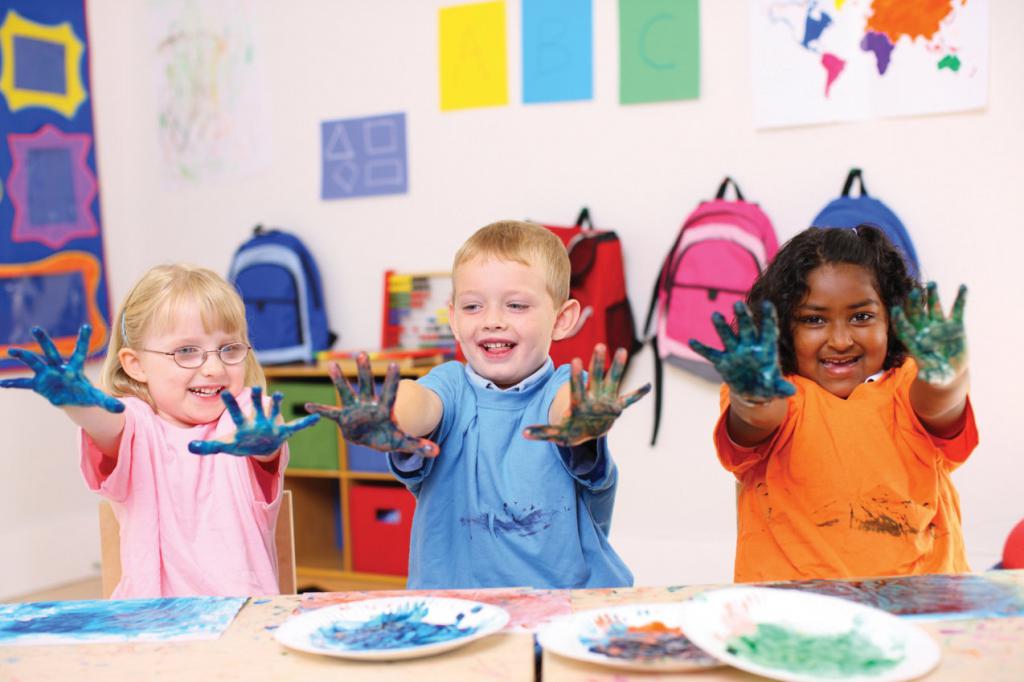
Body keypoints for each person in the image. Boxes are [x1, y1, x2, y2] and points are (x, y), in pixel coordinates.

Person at [307, 220, 649, 589]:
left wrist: (580, 419)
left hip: (565, 606)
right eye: (473, 306)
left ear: (563, 320)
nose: (492, 321)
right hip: (458, 610)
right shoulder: (449, 385)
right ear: (453, 318)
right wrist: (391, 416)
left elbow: (566, 408)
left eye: (516, 305)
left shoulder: (564, 388)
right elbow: (417, 402)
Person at [1, 264, 318, 598]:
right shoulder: (136, 425)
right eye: (186, 351)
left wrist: (264, 443)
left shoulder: (245, 415)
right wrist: (75, 403)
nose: (214, 368)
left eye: (229, 349)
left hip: (243, 622)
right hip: (151, 627)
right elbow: (104, 423)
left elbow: (263, 434)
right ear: (135, 364)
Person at [689, 225, 977, 582]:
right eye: (814, 320)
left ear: (892, 318)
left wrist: (947, 376)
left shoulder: (908, 384)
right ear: (781, 326)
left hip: (920, 610)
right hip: (796, 617)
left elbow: (939, 405)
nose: (840, 340)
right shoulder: (779, 392)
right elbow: (757, 418)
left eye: (861, 316)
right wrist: (754, 395)